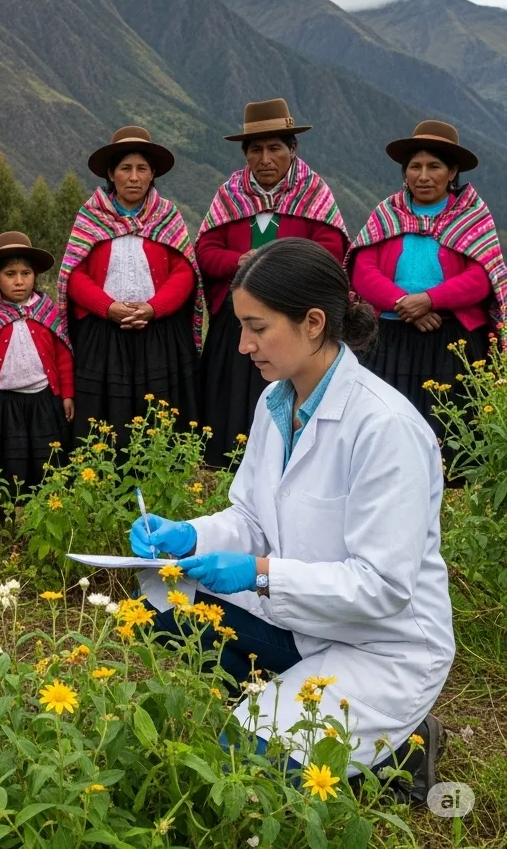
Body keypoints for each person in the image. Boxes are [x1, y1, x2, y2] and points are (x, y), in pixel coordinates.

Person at [131, 239, 453, 804]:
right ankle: (320, 717)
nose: (243, 345)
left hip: (382, 645)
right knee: (161, 602)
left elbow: (381, 586)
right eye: (240, 326)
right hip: (309, 622)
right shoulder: (277, 404)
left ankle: (404, 745)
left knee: (239, 764)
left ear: (312, 323)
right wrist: (190, 535)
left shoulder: (384, 429)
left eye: (257, 327)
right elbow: (253, 515)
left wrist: (259, 572)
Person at [196, 99, 348, 466]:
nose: (266, 158)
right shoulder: (229, 196)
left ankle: (291, 459)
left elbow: (331, 250)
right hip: (237, 325)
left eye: (275, 148)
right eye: (256, 149)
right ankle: (228, 464)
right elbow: (206, 251)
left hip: (293, 323)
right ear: (246, 154)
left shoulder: (314, 194)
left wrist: (280, 267)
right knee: (232, 395)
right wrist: (241, 262)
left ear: (292, 150)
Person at [347, 120, 507, 450]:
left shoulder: (471, 217)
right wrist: (406, 304)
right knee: (386, 420)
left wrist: (430, 300)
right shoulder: (387, 214)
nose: (423, 176)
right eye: (415, 166)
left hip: (452, 339)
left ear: (452, 172)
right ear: (405, 173)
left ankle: (453, 493)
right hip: (389, 337)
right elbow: (363, 272)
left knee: (452, 425)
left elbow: (481, 278)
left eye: (434, 166)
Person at [58, 125, 202, 449]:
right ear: (111, 174)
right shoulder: (91, 217)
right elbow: (74, 275)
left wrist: (154, 308)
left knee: (159, 408)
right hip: (103, 333)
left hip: (159, 332)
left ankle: (159, 471)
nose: (134, 177)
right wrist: (108, 308)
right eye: (125, 168)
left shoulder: (167, 217)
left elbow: (184, 272)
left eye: (142, 169)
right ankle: (102, 469)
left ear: (153, 174)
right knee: (105, 408)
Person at [0, 232, 74, 499]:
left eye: (26, 273)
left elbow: (63, 356)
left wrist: (68, 394)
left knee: (45, 464)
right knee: (4, 467)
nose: (19, 281)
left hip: (43, 401)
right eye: (10, 274)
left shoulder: (46, 309)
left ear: (35, 275)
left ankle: (45, 516)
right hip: (1, 404)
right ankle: (4, 520)